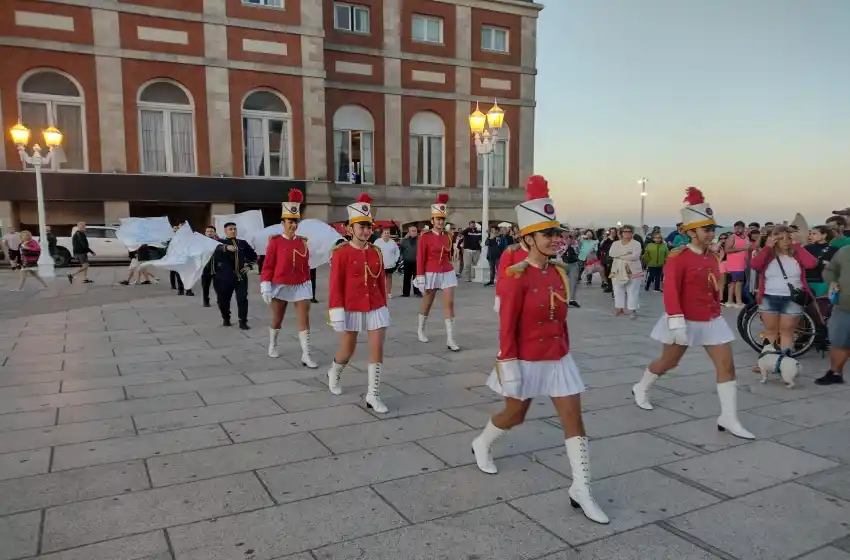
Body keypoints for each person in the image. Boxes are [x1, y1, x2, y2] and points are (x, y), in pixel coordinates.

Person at [471, 175, 609, 525]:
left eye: (557, 234)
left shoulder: (558, 274)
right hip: (525, 358)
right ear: (528, 237)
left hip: (558, 358)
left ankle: (581, 488)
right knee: (515, 416)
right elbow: (507, 325)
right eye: (548, 234)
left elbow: (561, 319)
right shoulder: (515, 276)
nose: (555, 240)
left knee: (573, 419)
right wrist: (509, 364)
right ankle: (483, 443)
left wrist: (566, 350)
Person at [632, 187, 754, 440]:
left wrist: (717, 310)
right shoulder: (678, 257)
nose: (711, 234)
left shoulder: (712, 256)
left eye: (712, 229)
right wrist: (676, 323)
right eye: (706, 229)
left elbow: (712, 288)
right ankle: (641, 386)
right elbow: (670, 291)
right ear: (690, 231)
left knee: (727, 366)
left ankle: (728, 417)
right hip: (683, 319)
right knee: (669, 362)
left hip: (710, 319)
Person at [326, 193, 390, 413]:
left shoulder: (376, 252)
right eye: (360, 226)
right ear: (350, 229)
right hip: (351, 306)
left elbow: (381, 281)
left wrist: (384, 306)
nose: (365, 230)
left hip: (375, 305)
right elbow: (335, 285)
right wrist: (335, 311)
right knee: (348, 349)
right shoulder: (341, 253)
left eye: (368, 226)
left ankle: (373, 394)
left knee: (377, 347)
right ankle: (334, 372)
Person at [261, 189, 318, 367]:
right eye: (290, 221)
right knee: (278, 318)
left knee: (304, 318)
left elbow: (306, 264)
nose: (293, 225)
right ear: (283, 222)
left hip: (301, 284)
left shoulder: (303, 242)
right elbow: (268, 265)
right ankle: (272, 343)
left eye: (295, 222)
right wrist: (266, 285)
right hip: (280, 284)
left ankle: (306, 354)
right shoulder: (275, 242)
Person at [749, 225, 817, 355]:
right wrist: (767, 247)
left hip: (793, 299)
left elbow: (811, 263)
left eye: (789, 237)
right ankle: (769, 362)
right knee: (770, 332)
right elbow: (754, 264)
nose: (786, 241)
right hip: (769, 297)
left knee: (787, 332)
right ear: (774, 239)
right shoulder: (768, 255)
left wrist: (798, 246)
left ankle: (784, 363)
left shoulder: (797, 254)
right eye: (781, 238)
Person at [415, 194, 461, 351]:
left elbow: (448, 255)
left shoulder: (448, 236)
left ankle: (450, 339)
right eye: (438, 219)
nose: (440, 222)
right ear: (432, 220)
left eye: (442, 219)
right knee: (428, 302)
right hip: (431, 271)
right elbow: (421, 257)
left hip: (447, 271)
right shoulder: (425, 237)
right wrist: (420, 276)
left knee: (449, 303)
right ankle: (421, 329)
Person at [213, 222, 257, 329]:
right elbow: (214, 249)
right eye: (230, 229)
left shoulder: (242, 243)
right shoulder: (219, 242)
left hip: (240, 277)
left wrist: (249, 266)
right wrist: (226, 247)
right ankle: (226, 318)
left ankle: (243, 321)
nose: (233, 231)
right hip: (224, 278)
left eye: (234, 229)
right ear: (225, 231)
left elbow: (253, 256)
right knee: (223, 300)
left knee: (242, 299)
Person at [815, 245, 849, 385]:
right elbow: (830, 270)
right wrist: (832, 281)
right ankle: (835, 372)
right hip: (843, 305)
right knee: (838, 340)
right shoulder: (845, 251)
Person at [609, 225, 643, 318]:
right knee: (617, 289)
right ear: (621, 233)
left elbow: (635, 256)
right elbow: (611, 253)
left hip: (634, 270)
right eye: (625, 231)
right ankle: (619, 308)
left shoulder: (636, 244)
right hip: (617, 269)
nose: (627, 233)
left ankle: (632, 310)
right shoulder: (615, 243)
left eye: (629, 231)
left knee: (633, 291)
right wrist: (626, 253)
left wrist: (620, 256)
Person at [724, 221, 750, 308]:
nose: (737, 230)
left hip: (742, 264)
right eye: (735, 228)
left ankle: (730, 301)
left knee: (734, 283)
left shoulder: (746, 237)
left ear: (743, 228)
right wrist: (742, 249)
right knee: (738, 283)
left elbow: (747, 250)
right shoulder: (732, 237)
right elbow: (727, 250)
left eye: (739, 228)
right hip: (734, 264)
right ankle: (738, 302)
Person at [373, 228, 401, 298]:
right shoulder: (377, 242)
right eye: (385, 233)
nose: (386, 234)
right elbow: (373, 251)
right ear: (382, 234)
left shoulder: (392, 242)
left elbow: (397, 252)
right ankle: (380, 292)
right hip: (380, 263)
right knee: (380, 278)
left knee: (389, 278)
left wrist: (395, 260)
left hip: (390, 263)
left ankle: (388, 293)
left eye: (388, 233)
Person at [399, 225, 422, 298]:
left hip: (417, 262)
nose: (414, 232)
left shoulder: (420, 240)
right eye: (412, 231)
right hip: (407, 262)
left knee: (417, 278)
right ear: (409, 232)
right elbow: (401, 251)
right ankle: (406, 293)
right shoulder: (404, 241)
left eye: (415, 231)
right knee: (406, 277)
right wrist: (400, 260)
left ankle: (418, 292)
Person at [201, 226, 219, 306]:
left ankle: (220, 300)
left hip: (217, 268)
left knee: (219, 286)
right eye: (208, 231)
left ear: (214, 232)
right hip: (206, 267)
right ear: (205, 233)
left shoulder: (219, 242)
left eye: (211, 231)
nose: (209, 233)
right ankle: (206, 300)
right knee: (205, 286)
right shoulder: (201, 242)